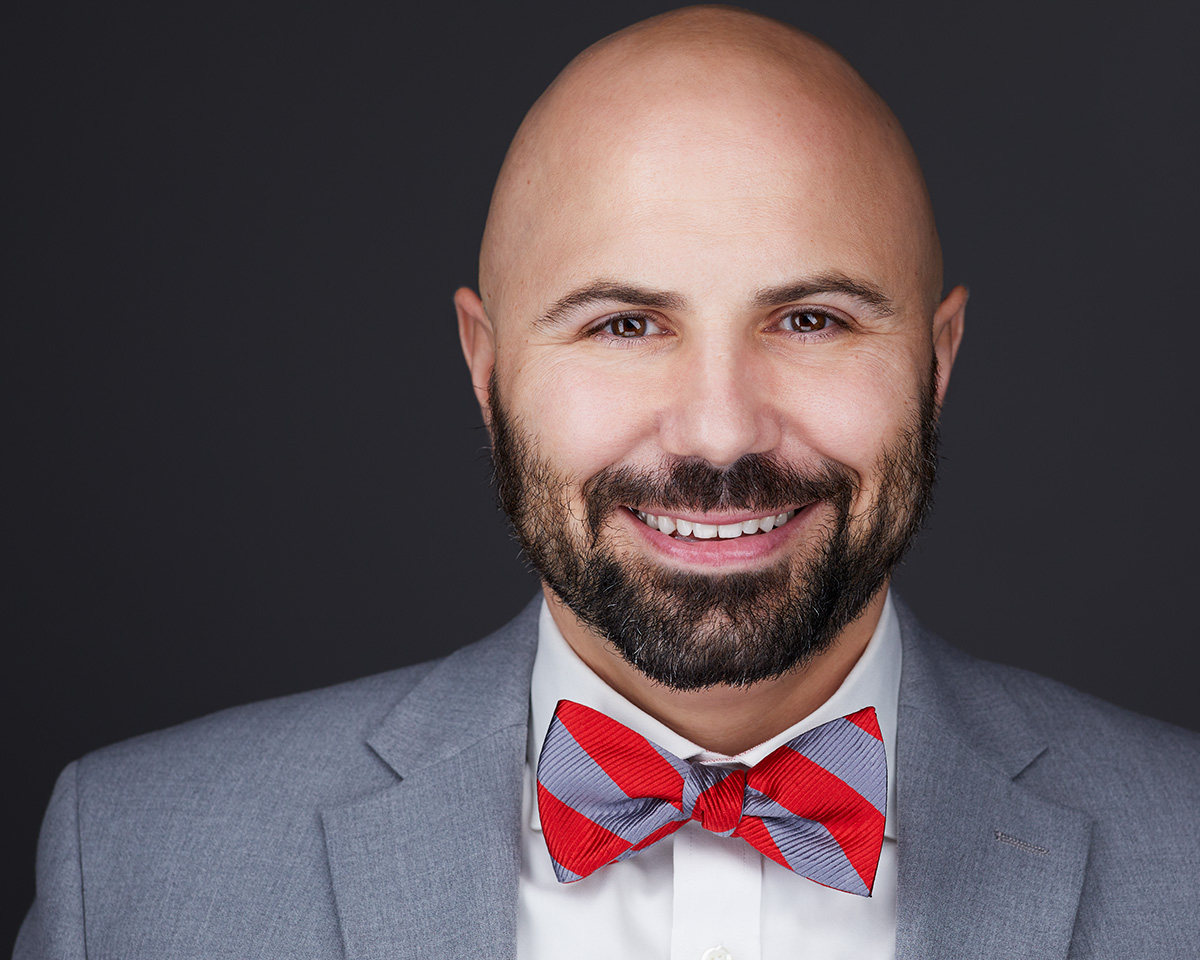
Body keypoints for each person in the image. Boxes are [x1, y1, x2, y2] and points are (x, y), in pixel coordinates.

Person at [15, 6, 1200, 958]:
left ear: (936, 362)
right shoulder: (130, 866)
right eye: (627, 324)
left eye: (811, 317)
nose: (720, 429)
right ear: (487, 368)